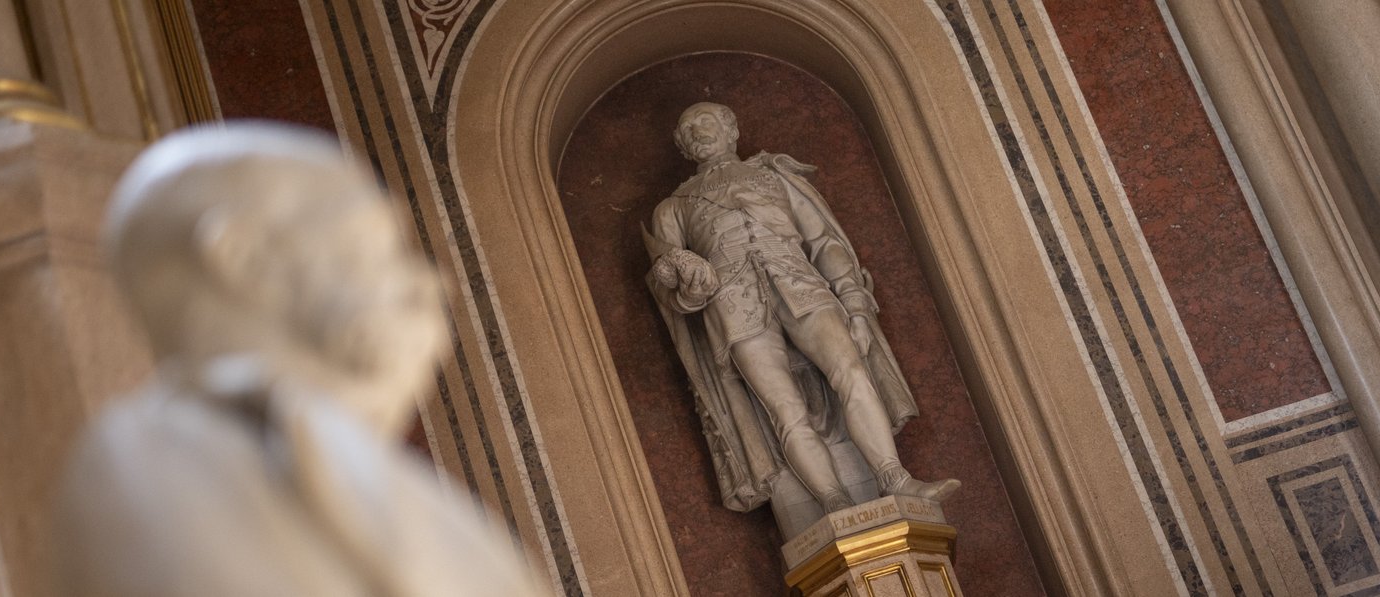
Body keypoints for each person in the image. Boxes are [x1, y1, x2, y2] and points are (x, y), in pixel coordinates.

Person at [58, 123, 547, 597]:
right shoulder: (153, 459)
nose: (431, 283)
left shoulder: (423, 499)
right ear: (248, 259)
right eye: (381, 243)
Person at [644, 103, 959, 521]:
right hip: (734, 309)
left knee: (852, 371)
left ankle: (894, 478)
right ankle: (834, 503)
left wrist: (856, 307)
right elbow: (672, 292)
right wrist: (690, 290)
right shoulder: (672, 208)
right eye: (688, 127)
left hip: (802, 286)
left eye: (707, 121)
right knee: (785, 411)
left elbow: (824, 242)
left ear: (731, 130)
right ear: (683, 146)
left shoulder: (776, 176)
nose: (699, 131)